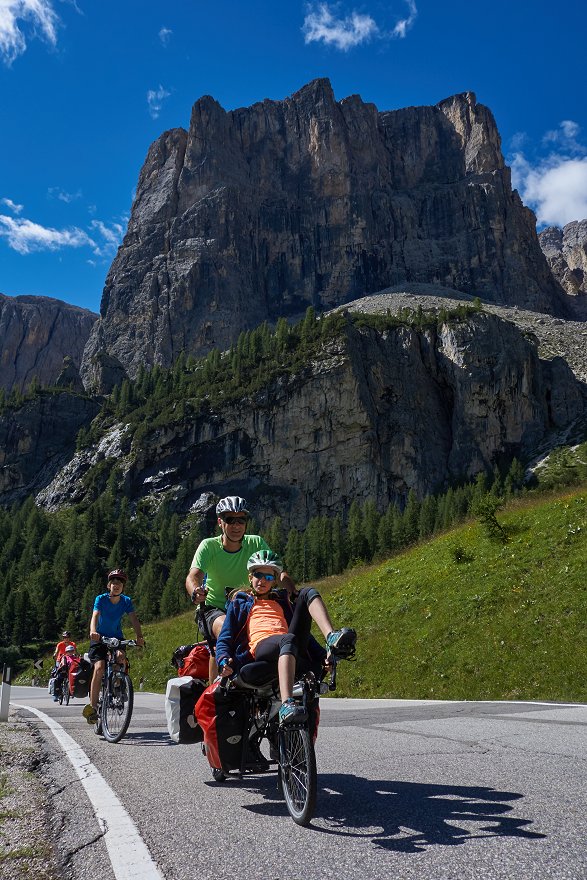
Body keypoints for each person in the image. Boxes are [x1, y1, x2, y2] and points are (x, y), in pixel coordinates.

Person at [215, 550, 357, 724]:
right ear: (250, 577)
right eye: (258, 575)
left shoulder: (283, 602)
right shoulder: (239, 603)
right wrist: (222, 659)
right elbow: (225, 637)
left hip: (289, 646)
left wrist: (322, 657)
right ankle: (286, 705)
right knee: (287, 639)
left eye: (268, 577)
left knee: (307, 593)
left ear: (274, 581)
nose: (262, 581)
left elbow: (305, 636)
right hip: (262, 648)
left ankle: (331, 637)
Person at [185, 496, 294, 677]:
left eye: (241, 520)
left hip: (246, 606)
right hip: (213, 608)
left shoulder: (256, 543)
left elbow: (278, 572)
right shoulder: (209, 546)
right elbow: (193, 576)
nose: (236, 526)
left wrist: (292, 590)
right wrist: (196, 591)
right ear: (220, 522)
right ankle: (216, 689)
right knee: (224, 632)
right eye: (230, 520)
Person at [82, 569, 145, 724]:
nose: (116, 586)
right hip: (99, 637)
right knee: (99, 667)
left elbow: (134, 619)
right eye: (114, 583)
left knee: (120, 657)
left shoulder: (126, 601)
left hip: (116, 637)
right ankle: (93, 707)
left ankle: (118, 686)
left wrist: (139, 637)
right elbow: (95, 615)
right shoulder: (101, 599)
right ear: (109, 585)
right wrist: (93, 631)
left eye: (120, 584)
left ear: (123, 587)